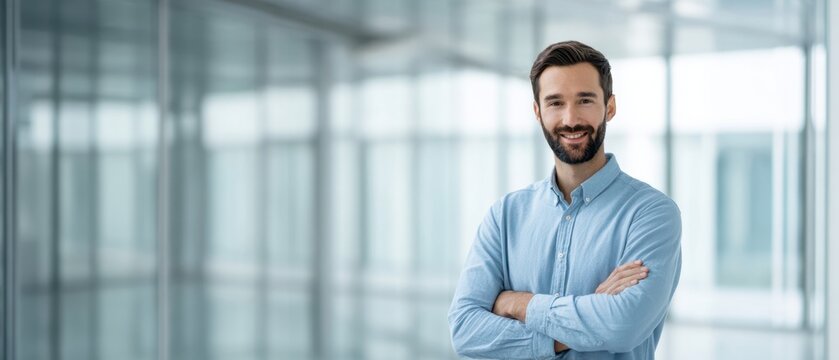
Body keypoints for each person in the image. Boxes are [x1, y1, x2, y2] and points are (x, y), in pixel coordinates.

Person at [447, 40, 682, 359]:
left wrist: (518, 304)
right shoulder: (505, 216)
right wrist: (586, 320)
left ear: (609, 107)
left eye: (585, 100)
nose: (571, 119)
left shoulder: (651, 214)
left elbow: (622, 327)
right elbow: (465, 331)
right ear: (537, 111)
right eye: (555, 103)